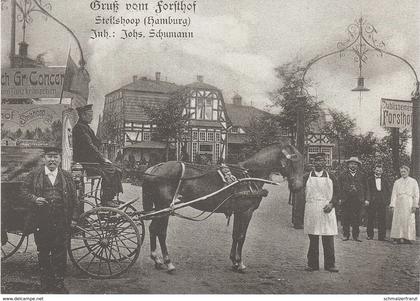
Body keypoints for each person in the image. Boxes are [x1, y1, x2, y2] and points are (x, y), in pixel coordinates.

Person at [21, 146, 78, 293]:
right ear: (44, 158)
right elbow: (23, 191)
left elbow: (75, 199)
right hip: (41, 220)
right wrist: (34, 199)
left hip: (61, 220)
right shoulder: (35, 174)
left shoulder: (67, 176)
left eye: (55, 156)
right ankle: (45, 283)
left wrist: (74, 219)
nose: (52, 159)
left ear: (60, 159)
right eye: (49, 156)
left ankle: (59, 283)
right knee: (44, 251)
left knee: (60, 252)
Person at [72, 104, 123, 207]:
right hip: (85, 162)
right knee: (111, 170)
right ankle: (106, 200)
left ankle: (110, 197)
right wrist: (103, 159)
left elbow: (95, 142)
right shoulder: (80, 128)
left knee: (118, 170)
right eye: (90, 115)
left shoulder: (86, 127)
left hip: (90, 160)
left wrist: (104, 141)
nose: (92, 117)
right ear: (83, 115)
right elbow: (90, 146)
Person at [303, 152, 339, 273]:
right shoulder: (306, 176)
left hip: (326, 208)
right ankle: (312, 264)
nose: (318, 163)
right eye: (316, 161)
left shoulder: (332, 177)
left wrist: (332, 204)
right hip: (312, 208)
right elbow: (298, 190)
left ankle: (330, 264)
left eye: (321, 161)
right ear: (313, 163)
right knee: (313, 237)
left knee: (328, 236)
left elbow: (338, 193)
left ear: (325, 163)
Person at [339, 156, 367, 242]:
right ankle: (345, 235)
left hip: (357, 200)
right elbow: (339, 187)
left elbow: (366, 188)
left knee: (356, 218)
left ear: (358, 166)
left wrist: (366, 199)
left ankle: (356, 236)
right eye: (351, 164)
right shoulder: (342, 175)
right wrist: (340, 198)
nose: (353, 166)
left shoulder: (362, 175)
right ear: (348, 165)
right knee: (345, 218)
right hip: (346, 199)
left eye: (355, 164)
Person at [389, 165, 419, 244]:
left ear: (408, 172)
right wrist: (392, 205)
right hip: (399, 203)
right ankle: (397, 238)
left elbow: (416, 194)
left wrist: (415, 205)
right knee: (398, 220)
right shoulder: (397, 182)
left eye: (404, 171)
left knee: (408, 220)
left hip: (409, 203)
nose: (403, 173)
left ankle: (408, 238)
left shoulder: (413, 181)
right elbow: (394, 194)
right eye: (401, 172)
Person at [365, 164, 391, 241]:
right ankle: (370, 235)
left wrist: (387, 200)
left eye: (380, 170)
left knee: (382, 218)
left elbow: (388, 191)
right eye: (377, 170)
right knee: (370, 218)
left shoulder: (385, 180)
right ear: (374, 170)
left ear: (382, 171)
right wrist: (368, 200)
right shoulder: (369, 179)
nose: (378, 172)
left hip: (382, 201)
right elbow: (367, 190)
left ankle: (382, 236)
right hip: (373, 201)